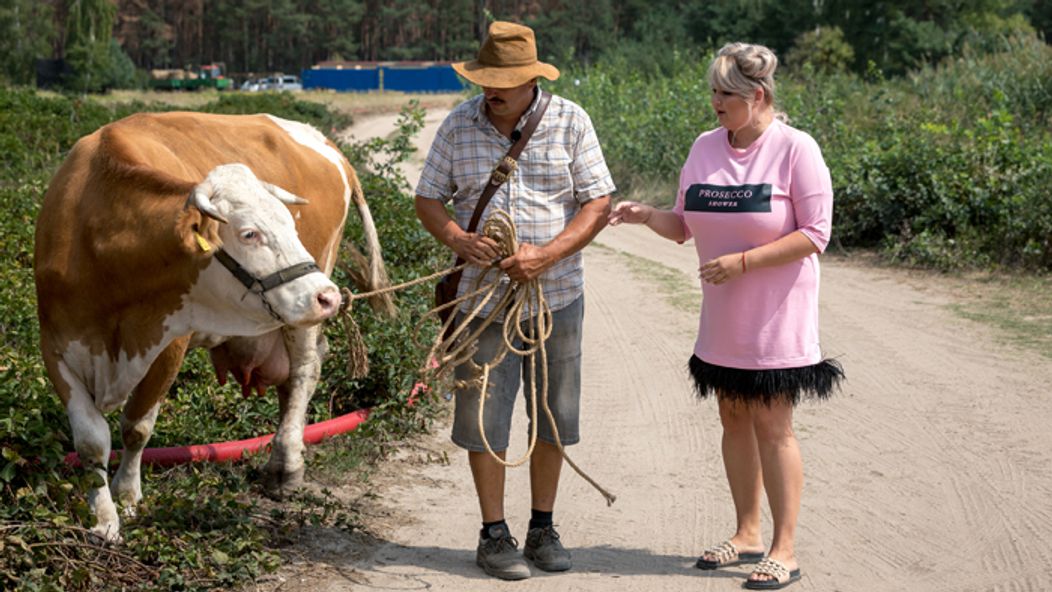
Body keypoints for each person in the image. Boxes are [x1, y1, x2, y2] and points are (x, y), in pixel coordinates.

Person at [609, 42, 843, 590]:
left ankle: (784, 549)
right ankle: (747, 534)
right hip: (723, 320)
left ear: (756, 96)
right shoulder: (705, 147)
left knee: (772, 424)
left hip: (776, 319)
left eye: (723, 94)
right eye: (713, 92)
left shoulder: (795, 149)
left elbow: (816, 233)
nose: (713, 102)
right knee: (733, 419)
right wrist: (647, 216)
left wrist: (743, 262)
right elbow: (684, 224)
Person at [414, 20, 615, 581]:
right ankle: (493, 534)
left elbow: (596, 203)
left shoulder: (570, 120)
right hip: (481, 302)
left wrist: (546, 255)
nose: (493, 89)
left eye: (505, 80)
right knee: (484, 416)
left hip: (557, 296)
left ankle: (543, 527)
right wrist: (458, 239)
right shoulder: (459, 124)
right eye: (486, 79)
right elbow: (429, 199)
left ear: (532, 79)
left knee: (553, 413)